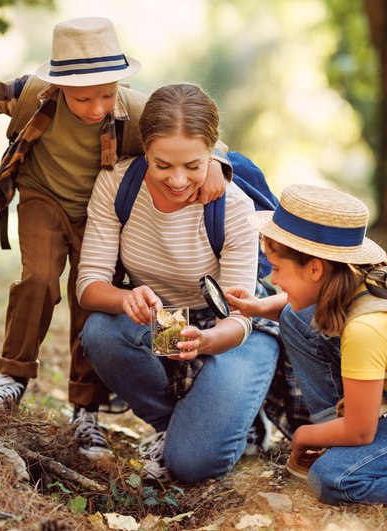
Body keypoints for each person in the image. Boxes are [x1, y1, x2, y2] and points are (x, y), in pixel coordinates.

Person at [0, 17, 228, 460]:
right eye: (84, 97)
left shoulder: (134, 110)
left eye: (107, 94)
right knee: (39, 280)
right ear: (59, 84)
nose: (96, 107)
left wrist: (217, 162)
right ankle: (13, 376)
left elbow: (191, 135)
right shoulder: (34, 95)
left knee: (92, 301)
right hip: (43, 200)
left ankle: (86, 410)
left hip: (100, 216)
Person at [76, 83, 279, 483]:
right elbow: (88, 285)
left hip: (234, 329)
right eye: (162, 165)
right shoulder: (117, 186)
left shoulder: (233, 204)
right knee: (100, 331)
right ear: (145, 149)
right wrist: (126, 299)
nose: (178, 180)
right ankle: (179, 426)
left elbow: (240, 318)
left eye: (193, 165)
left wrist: (205, 341)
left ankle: (237, 421)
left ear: (213, 153)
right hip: (165, 322)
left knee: (190, 467)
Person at [225, 184, 387, 505]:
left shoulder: (365, 330)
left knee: (331, 478)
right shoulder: (357, 280)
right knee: (295, 316)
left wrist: (305, 436)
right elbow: (299, 305)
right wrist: (260, 306)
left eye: (277, 269)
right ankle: (334, 436)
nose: (273, 280)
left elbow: (361, 431)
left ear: (316, 268)